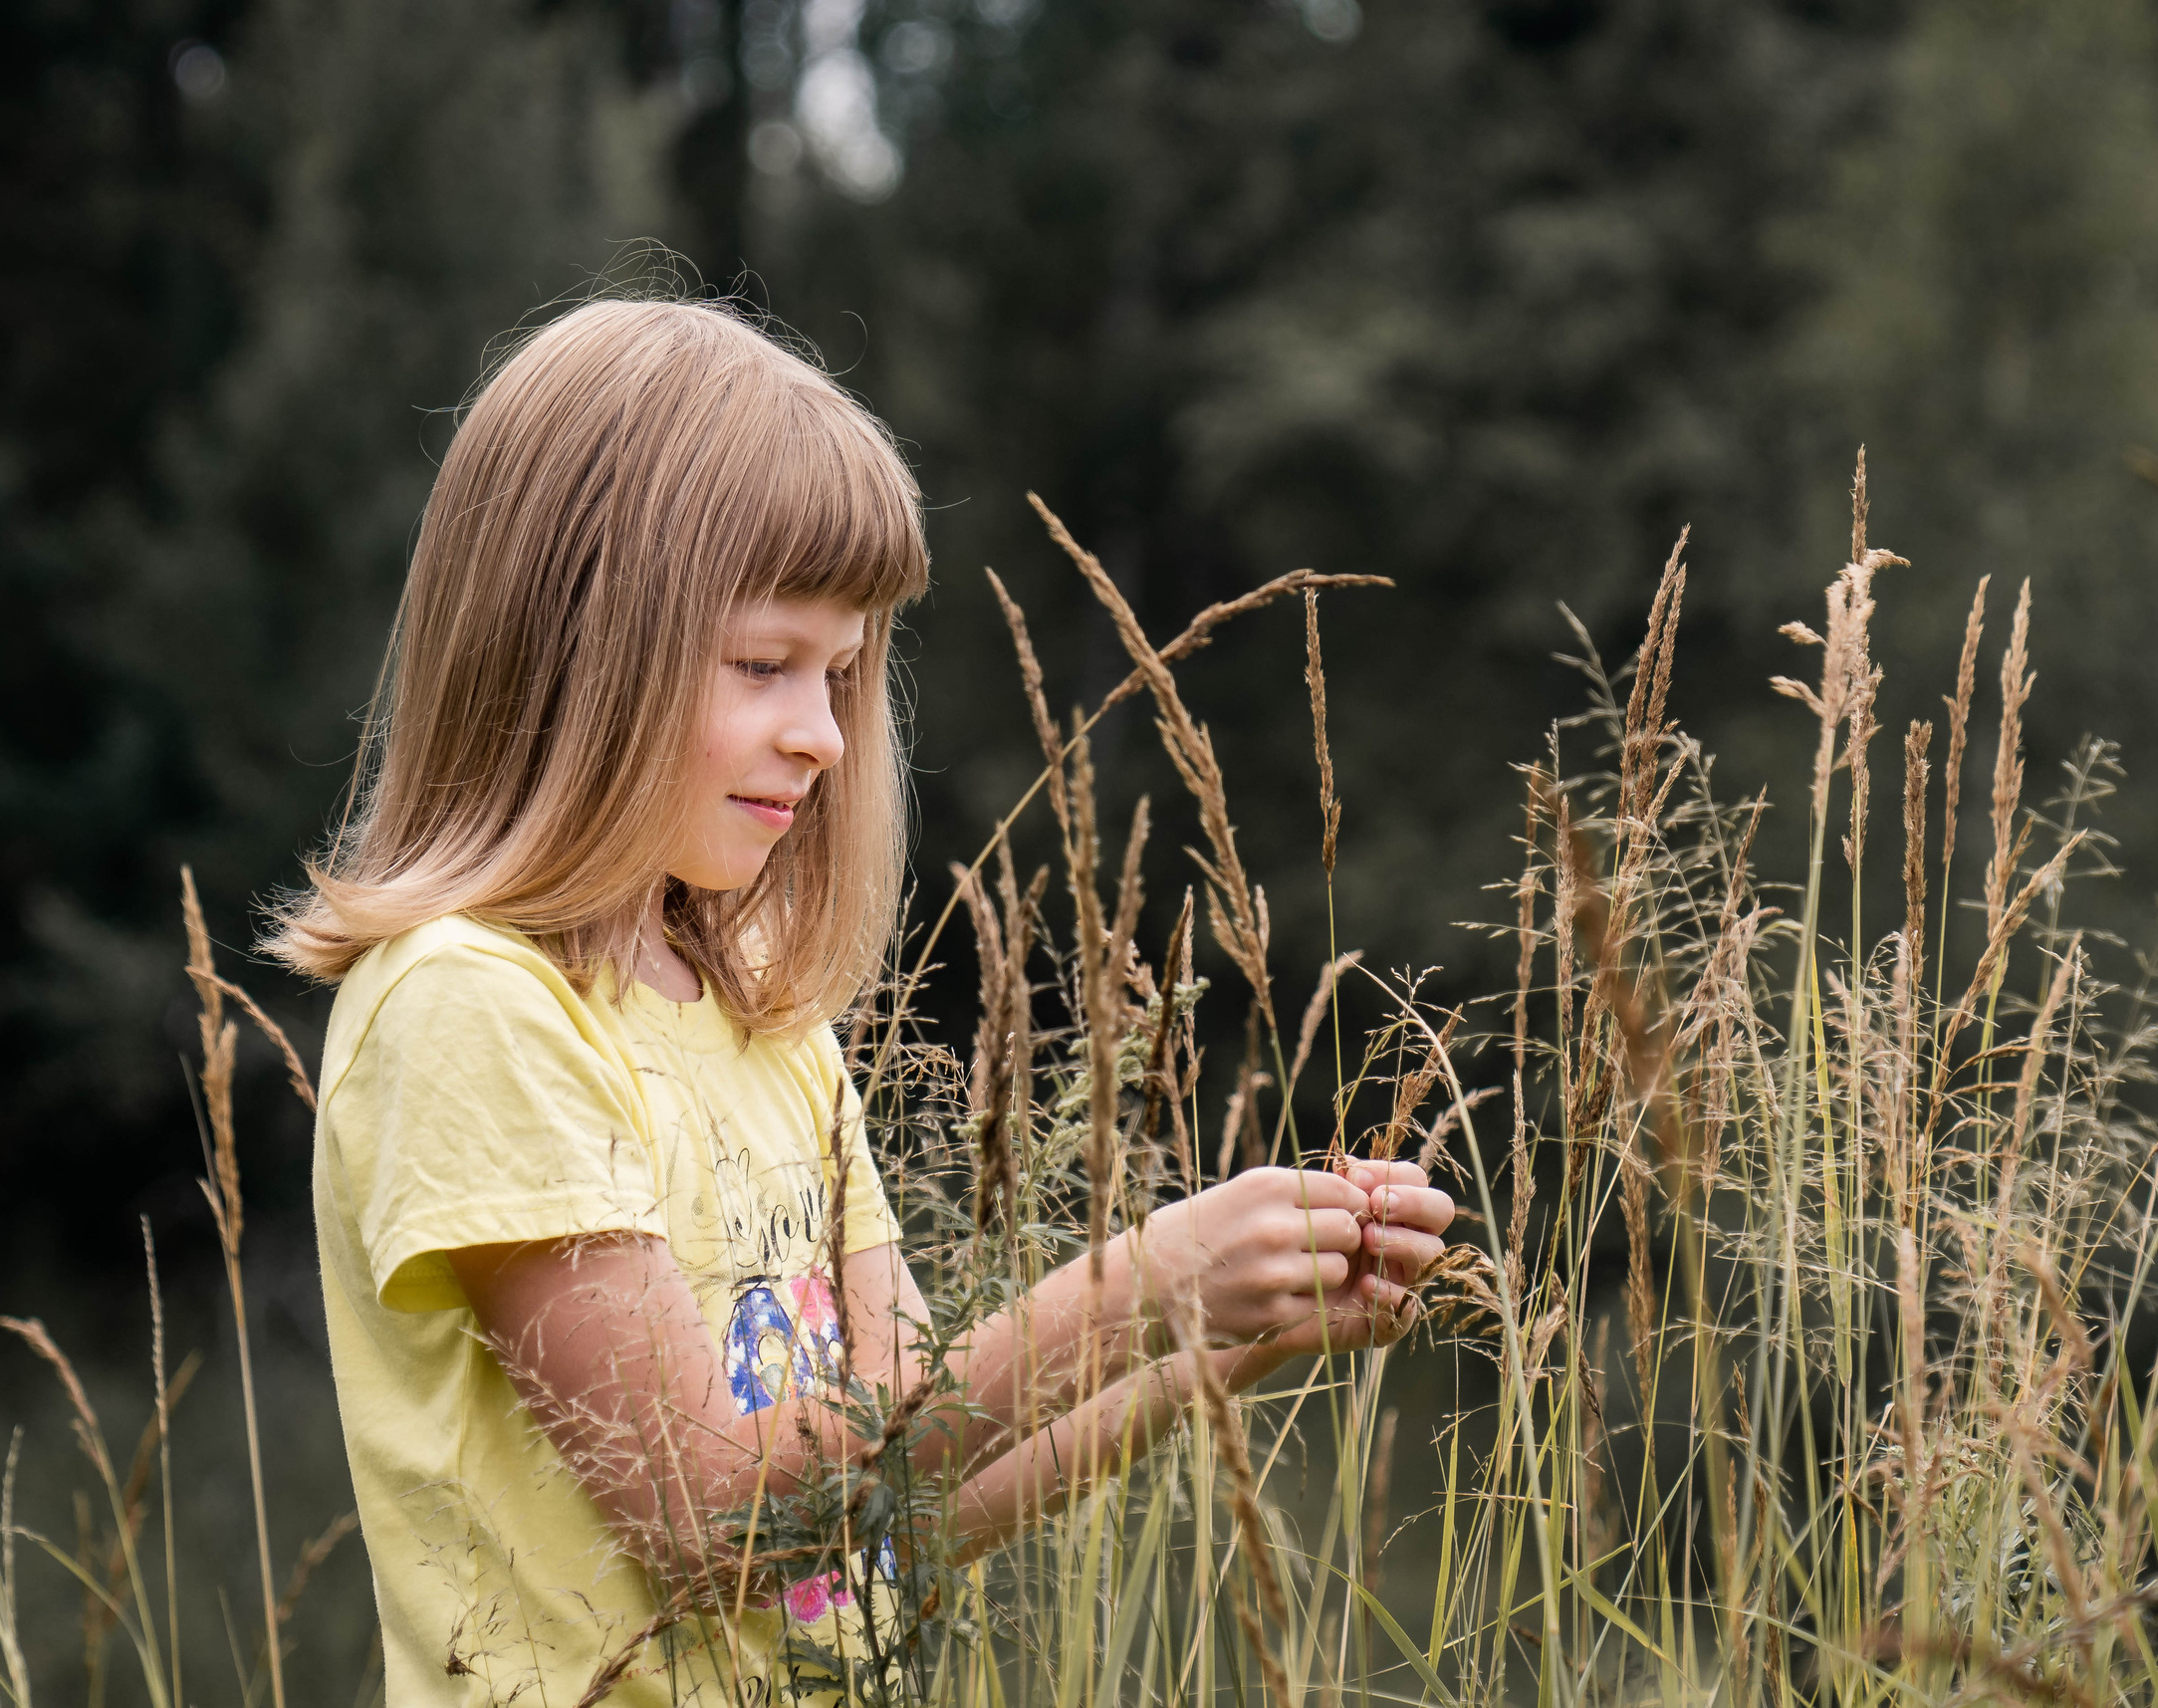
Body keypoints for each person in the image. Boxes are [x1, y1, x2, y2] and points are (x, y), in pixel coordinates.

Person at [268, 297, 1455, 1707]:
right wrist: (1140, 1283)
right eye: (764, 664)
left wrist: (1215, 1341)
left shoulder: (767, 1026)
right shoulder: (475, 1008)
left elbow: (891, 1510)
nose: (823, 735)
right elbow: (715, 1526)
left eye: (841, 674)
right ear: (573, 645)